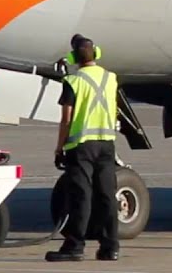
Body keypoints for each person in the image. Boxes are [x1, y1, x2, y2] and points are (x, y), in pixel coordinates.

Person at [46, 35, 120, 262]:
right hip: (106, 143)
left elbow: (66, 120)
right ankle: (110, 247)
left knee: (82, 195)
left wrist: (59, 148)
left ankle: (75, 246)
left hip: (81, 146)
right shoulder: (110, 78)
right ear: (96, 53)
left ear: (74, 56)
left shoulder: (73, 81)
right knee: (107, 195)